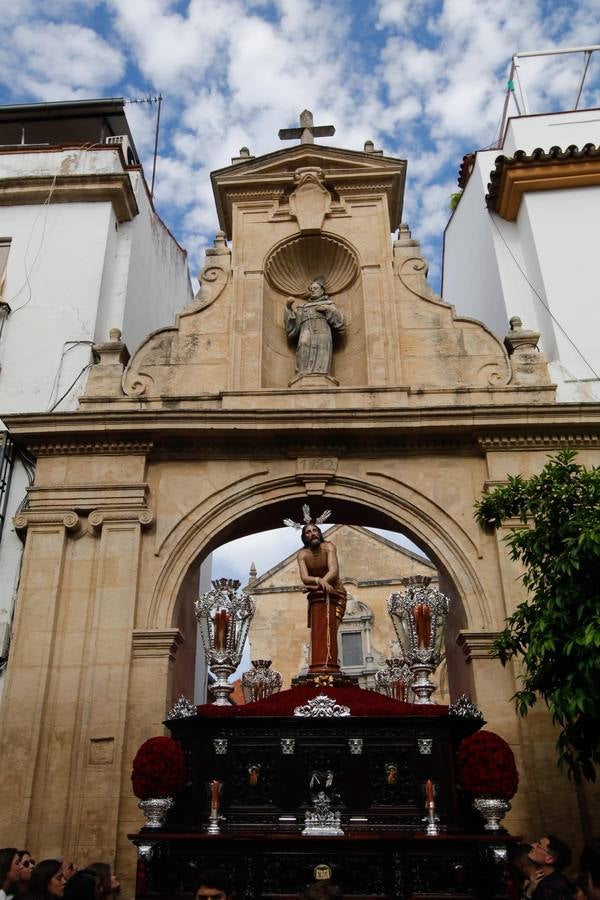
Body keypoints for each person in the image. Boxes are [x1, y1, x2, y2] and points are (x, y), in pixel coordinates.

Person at [296, 522, 347, 673]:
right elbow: (305, 578)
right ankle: (320, 666)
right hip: (317, 597)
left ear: (319, 533)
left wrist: (315, 584)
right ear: (304, 537)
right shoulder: (302, 555)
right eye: (308, 532)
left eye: (315, 530)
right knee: (319, 633)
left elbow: (334, 571)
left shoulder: (329, 546)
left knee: (331, 629)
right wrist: (319, 581)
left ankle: (330, 665)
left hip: (335, 594)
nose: (312, 533)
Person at [284, 278, 344, 378]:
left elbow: (340, 321)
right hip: (306, 332)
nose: (312, 290)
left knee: (322, 349)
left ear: (322, 290)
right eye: (311, 289)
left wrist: (328, 309)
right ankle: (303, 373)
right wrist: (288, 307)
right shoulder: (303, 307)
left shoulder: (329, 304)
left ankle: (321, 373)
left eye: (315, 288)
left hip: (322, 332)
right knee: (303, 346)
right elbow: (293, 324)